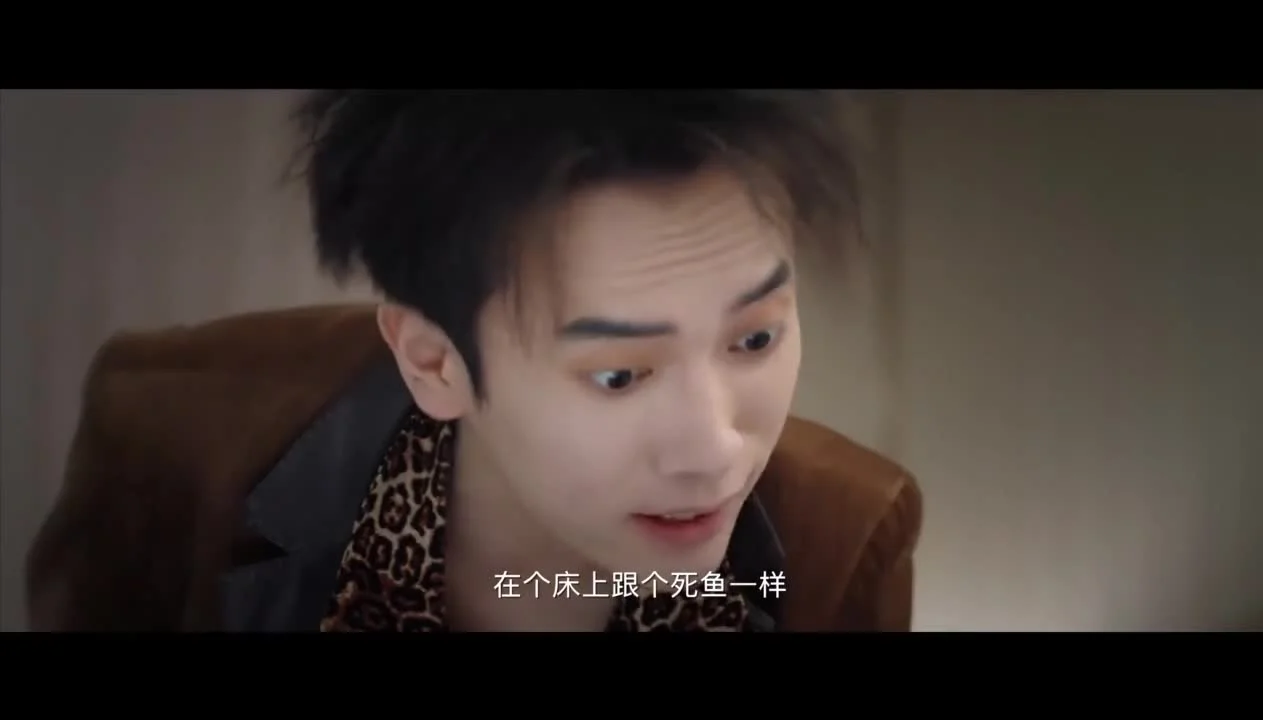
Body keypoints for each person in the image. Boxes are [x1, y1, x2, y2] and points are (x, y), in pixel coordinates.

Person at [25, 90, 922, 632]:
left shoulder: (843, 541)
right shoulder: (172, 446)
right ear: (434, 362)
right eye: (619, 375)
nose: (714, 450)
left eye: (754, 339)